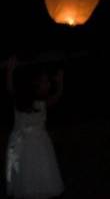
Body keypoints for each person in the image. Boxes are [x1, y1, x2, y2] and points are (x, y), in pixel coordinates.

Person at [4, 55, 65, 199]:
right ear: (35, 85)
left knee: (40, 172)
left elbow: (57, 95)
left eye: (48, 81)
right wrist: (10, 70)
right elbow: (10, 88)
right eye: (45, 82)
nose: (48, 83)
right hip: (23, 144)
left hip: (37, 144)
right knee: (25, 174)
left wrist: (60, 81)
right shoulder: (20, 100)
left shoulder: (42, 103)